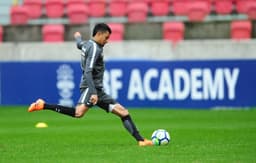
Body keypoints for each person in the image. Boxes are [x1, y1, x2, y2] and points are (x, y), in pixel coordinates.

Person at [28, 23, 153, 147]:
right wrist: (93, 92)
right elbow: (88, 71)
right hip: (91, 87)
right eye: (106, 37)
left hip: (97, 90)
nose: (107, 41)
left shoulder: (87, 44)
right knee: (78, 113)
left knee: (123, 112)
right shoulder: (95, 49)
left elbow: (79, 45)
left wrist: (78, 37)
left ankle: (141, 141)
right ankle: (43, 105)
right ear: (99, 34)